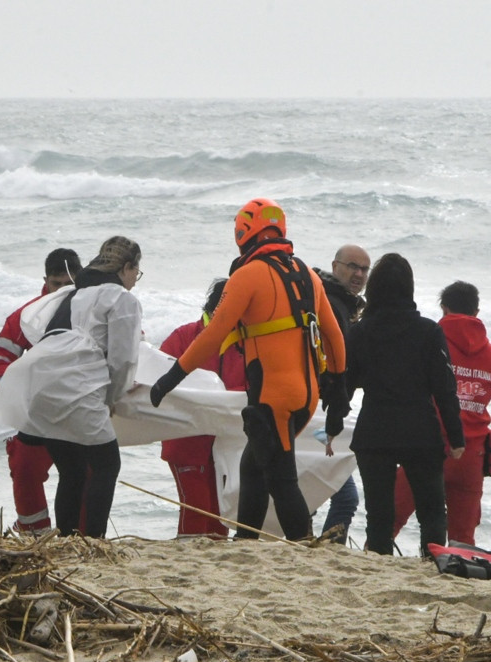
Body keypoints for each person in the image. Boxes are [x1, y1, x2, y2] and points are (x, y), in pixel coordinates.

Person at [151, 198, 347, 541]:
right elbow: (334, 337)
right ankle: (246, 542)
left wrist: (171, 377)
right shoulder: (307, 275)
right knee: (252, 467)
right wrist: (338, 387)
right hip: (307, 396)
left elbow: (213, 334)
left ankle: (304, 547)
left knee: (281, 478)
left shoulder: (247, 275)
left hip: (274, 397)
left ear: (243, 233)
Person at [0, 236, 144, 538]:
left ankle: (66, 540)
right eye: (136, 273)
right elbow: (123, 360)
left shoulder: (75, 295)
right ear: (126, 267)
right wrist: (112, 398)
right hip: (76, 388)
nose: (135, 281)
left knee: (72, 470)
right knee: (106, 465)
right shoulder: (121, 298)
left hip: (39, 385)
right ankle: (93, 541)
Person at [344, 254, 464, 556]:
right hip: (419, 431)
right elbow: (444, 389)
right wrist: (456, 437)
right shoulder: (428, 331)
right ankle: (433, 565)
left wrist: (333, 422)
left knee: (379, 516)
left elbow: (345, 382)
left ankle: (379, 567)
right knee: (433, 512)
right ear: (408, 288)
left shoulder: (360, 330)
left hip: (374, 430)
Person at [391, 281, 491, 546]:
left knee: (389, 519)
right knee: (463, 538)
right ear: (477, 312)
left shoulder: (428, 341)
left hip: (427, 447)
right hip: (472, 453)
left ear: (444, 308)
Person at [0, 248, 82, 534]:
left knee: (87, 473)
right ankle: (34, 532)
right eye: (57, 283)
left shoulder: (92, 309)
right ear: (45, 281)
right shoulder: (28, 316)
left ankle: (81, 535)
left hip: (79, 407)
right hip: (35, 410)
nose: (63, 290)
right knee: (25, 466)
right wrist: (19, 382)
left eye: (69, 283)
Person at [159, 279, 246, 538]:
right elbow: (156, 379)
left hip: (227, 445)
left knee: (221, 515)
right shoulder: (184, 337)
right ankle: (186, 560)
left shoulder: (246, 342)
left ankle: (212, 569)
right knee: (197, 509)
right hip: (186, 442)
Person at [312, 244, 370, 543]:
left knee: (310, 485)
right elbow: (337, 367)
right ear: (336, 267)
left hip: (316, 412)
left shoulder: (338, 302)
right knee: (345, 497)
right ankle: (323, 550)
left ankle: (306, 545)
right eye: (352, 267)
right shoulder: (333, 304)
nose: (359, 274)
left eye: (364, 269)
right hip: (316, 415)